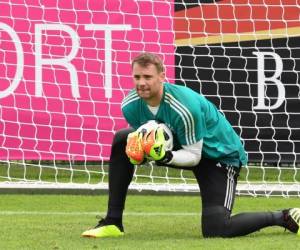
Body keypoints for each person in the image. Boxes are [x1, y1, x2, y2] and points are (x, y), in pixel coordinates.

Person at [82, 52, 300, 238]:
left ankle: (284, 216)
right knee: (123, 139)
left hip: (218, 156)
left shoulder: (184, 108)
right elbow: (151, 139)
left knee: (217, 229)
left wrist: (164, 157)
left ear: (162, 77)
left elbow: (194, 155)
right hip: (181, 148)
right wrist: (140, 153)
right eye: (137, 77)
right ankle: (112, 222)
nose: (141, 83)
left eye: (148, 77)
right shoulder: (130, 105)